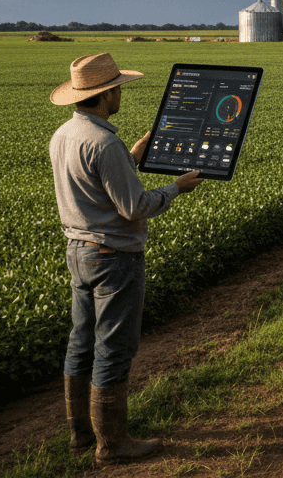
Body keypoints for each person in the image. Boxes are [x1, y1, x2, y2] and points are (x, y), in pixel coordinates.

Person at [49, 53, 203, 465]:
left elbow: (94, 186)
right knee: (114, 348)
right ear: (105, 95)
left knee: (80, 343)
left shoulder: (64, 134)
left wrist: (132, 157)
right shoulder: (104, 142)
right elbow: (134, 207)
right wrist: (175, 188)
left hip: (78, 252)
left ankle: (81, 435)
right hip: (114, 257)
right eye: (117, 88)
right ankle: (114, 445)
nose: (121, 94)